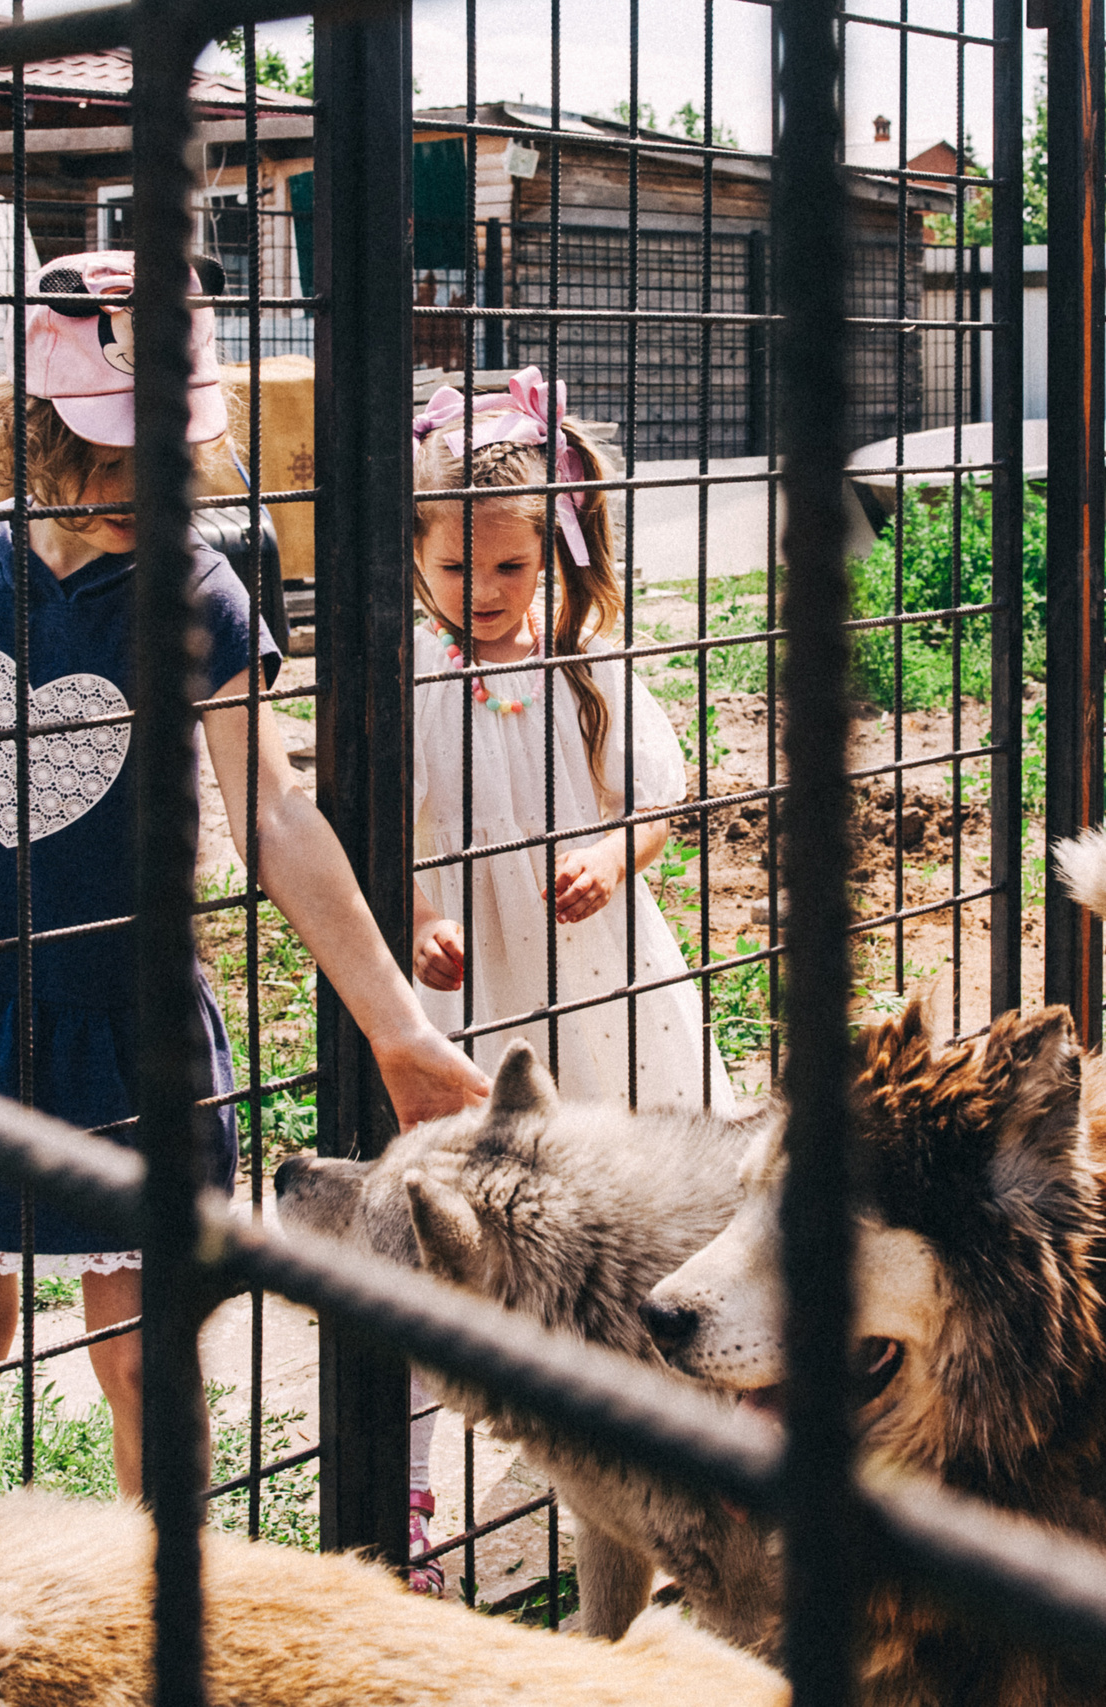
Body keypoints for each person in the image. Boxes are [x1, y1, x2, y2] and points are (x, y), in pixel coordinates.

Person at [0, 251, 488, 1506]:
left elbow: (273, 814)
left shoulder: (198, 588)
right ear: (33, 436)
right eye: (111, 462)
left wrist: (396, 1029)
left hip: (128, 1032)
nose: (142, 491)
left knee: (146, 1355)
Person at [398, 369, 737, 1591]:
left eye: (505, 570)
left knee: (636, 1190)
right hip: (479, 974)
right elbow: (381, 831)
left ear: (551, 552)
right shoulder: (408, 675)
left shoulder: (588, 656)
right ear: (418, 557)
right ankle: (420, 1489)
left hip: (600, 973)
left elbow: (657, 795)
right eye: (453, 571)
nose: (479, 595)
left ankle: (682, 1424)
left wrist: (612, 853)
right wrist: (423, 912)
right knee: (459, 1218)